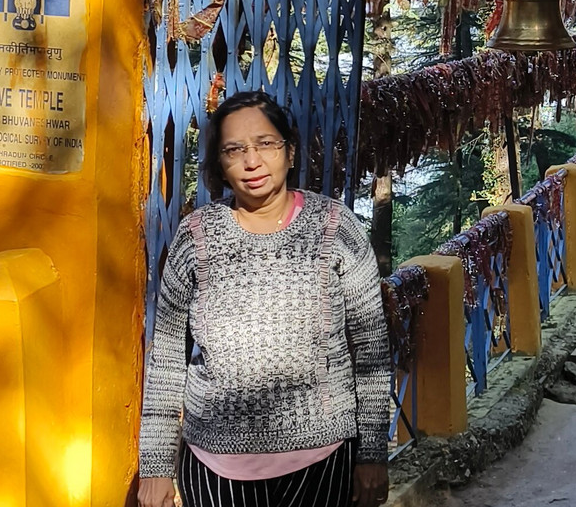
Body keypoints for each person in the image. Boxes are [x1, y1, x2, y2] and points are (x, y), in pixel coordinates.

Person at [138, 91, 392, 507]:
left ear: (290, 152)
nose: (251, 162)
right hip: (214, 470)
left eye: (265, 145)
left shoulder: (335, 227)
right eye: (233, 150)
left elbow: (371, 351)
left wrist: (372, 455)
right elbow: (167, 357)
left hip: (322, 464)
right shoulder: (196, 235)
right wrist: (155, 468)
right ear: (219, 164)